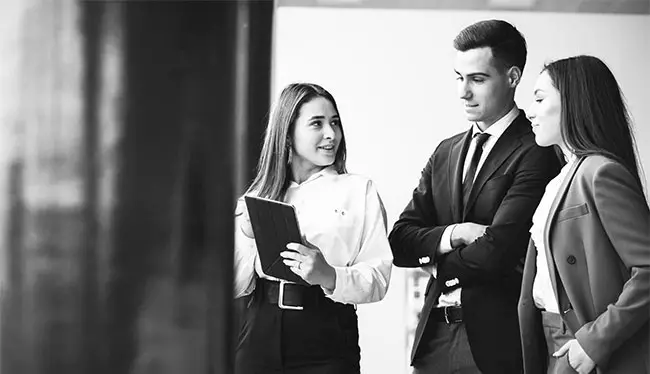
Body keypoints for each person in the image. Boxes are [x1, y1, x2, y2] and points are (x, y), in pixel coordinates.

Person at [389, 19, 561, 373]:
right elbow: (399, 241)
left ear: (512, 77)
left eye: (477, 79)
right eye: (458, 77)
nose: (463, 92)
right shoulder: (445, 152)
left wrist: (437, 264)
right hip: (433, 338)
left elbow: (500, 250)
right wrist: (458, 233)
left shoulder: (537, 150)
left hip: (495, 343)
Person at [233, 83, 393, 374]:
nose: (331, 134)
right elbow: (231, 285)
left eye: (334, 123)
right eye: (317, 124)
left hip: (326, 333)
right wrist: (245, 237)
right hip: (259, 329)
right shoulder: (255, 197)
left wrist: (329, 275)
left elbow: (379, 278)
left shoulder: (359, 191)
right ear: (287, 132)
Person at [518, 55, 649, 374]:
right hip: (551, 340)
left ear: (575, 103)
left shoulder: (601, 172)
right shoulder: (560, 179)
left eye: (539, 98)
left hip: (586, 344)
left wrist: (594, 342)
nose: (530, 111)